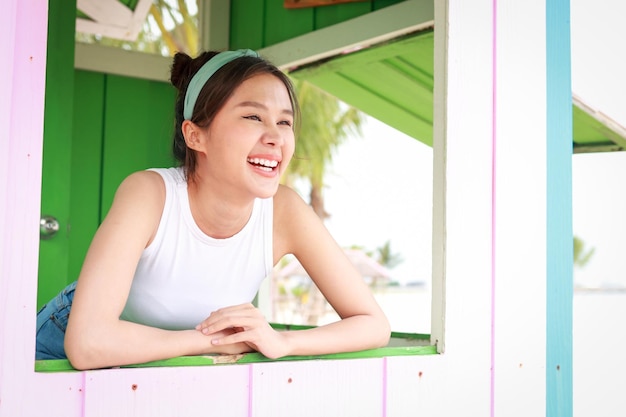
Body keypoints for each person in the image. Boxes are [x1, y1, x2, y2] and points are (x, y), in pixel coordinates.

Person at [35, 49, 390, 370]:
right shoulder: (149, 194)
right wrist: (213, 341)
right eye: (253, 116)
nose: (275, 137)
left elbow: (373, 324)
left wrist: (281, 341)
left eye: (284, 121)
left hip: (168, 364)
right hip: (60, 355)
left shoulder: (284, 210)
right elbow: (87, 343)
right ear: (195, 136)